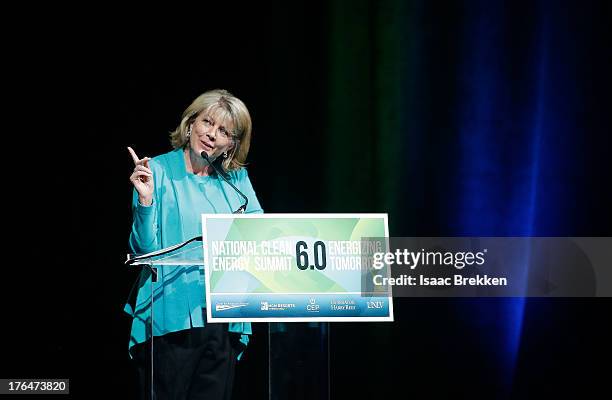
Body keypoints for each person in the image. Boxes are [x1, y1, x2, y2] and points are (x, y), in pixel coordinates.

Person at [125, 89, 263, 400]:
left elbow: (259, 236)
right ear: (190, 125)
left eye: (225, 132)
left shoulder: (235, 181)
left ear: (232, 144)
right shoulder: (156, 171)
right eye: (208, 123)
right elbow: (144, 251)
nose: (213, 135)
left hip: (225, 316)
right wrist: (145, 202)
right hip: (168, 314)